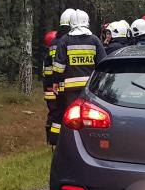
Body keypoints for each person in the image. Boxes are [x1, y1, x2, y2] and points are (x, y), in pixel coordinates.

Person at [55, 10, 106, 118]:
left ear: (71, 23)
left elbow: (59, 67)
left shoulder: (64, 40)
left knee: (72, 116)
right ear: (87, 21)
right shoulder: (95, 40)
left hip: (70, 88)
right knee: (90, 115)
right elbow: (103, 64)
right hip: (91, 87)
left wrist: (56, 82)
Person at [46, 9, 76, 145]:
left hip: (55, 87)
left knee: (57, 116)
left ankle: (54, 143)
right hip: (69, 87)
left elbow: (48, 68)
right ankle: (70, 142)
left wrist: (49, 86)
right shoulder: (70, 41)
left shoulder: (53, 43)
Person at [42, 30, 59, 144]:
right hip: (53, 91)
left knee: (52, 114)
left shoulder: (47, 56)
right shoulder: (52, 57)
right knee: (56, 114)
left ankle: (50, 139)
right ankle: (53, 139)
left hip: (48, 92)